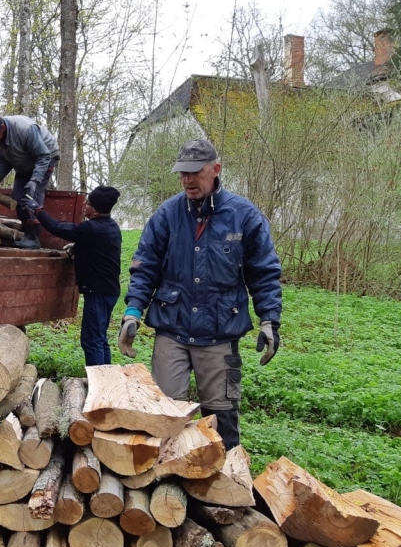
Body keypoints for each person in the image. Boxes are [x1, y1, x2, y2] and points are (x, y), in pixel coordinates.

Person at [118, 138, 282, 449]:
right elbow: (145, 266)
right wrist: (133, 312)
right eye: (182, 174)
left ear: (216, 169)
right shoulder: (167, 214)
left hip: (221, 333)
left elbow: (264, 271)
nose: (188, 180)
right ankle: (165, 492)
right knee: (165, 416)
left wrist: (269, 320)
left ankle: (226, 488)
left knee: (222, 419)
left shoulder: (243, 215)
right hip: (172, 329)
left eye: (195, 173)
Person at [33, 185, 121, 365]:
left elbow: (58, 228)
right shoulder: (111, 227)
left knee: (91, 341)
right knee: (100, 339)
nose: (84, 206)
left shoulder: (92, 228)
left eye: (88, 204)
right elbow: (98, 247)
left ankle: (98, 385)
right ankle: (106, 380)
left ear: (95, 210)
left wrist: (37, 210)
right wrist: (78, 247)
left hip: (97, 293)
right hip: (109, 291)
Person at [0, 112, 59, 249]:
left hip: (45, 158)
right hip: (23, 163)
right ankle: (27, 235)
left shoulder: (25, 130)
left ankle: (33, 237)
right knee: (18, 196)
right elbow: (4, 163)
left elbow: (44, 156)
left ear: (2, 128)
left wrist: (35, 180)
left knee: (30, 197)